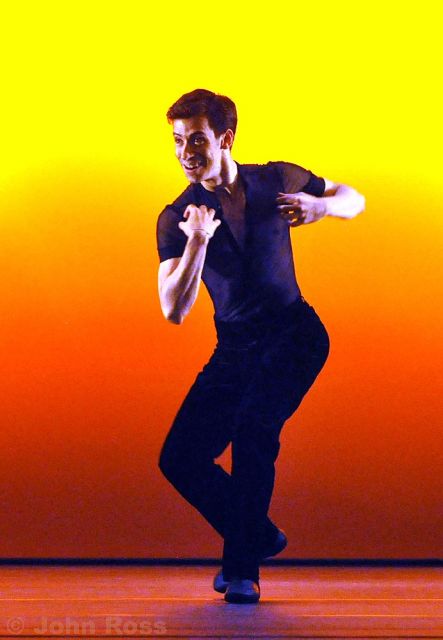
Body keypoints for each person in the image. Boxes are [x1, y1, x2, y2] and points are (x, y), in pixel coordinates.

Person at [156, 89, 365, 604]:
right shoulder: (177, 216)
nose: (186, 153)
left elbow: (353, 198)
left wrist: (321, 206)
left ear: (225, 139)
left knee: (254, 429)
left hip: (295, 336)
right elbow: (174, 310)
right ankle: (258, 534)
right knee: (180, 458)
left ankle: (242, 571)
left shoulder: (275, 179)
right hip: (235, 348)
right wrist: (197, 241)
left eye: (196, 140)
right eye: (178, 141)